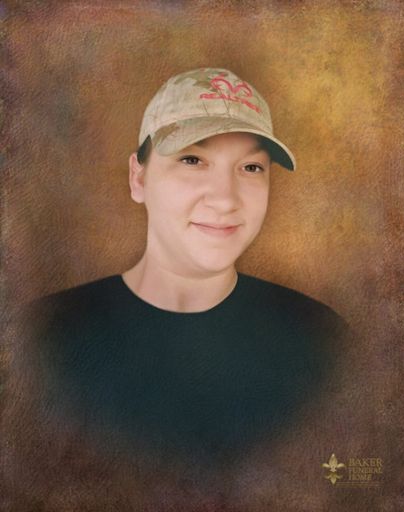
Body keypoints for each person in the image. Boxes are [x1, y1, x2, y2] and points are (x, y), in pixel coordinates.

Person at [21, 68, 348, 471]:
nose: (225, 199)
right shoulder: (45, 336)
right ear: (139, 178)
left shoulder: (322, 340)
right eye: (192, 159)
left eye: (251, 168)